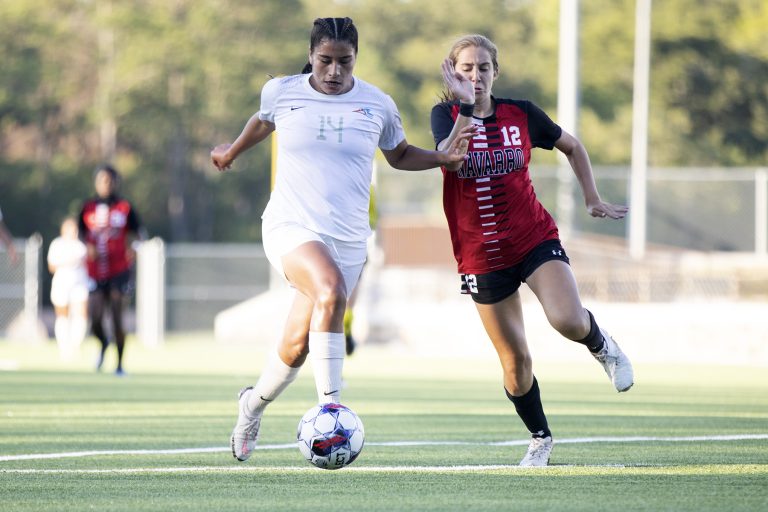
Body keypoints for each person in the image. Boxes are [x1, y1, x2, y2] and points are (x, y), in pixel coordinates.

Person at [211, 17, 474, 463]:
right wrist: (231, 152)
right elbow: (262, 121)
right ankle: (331, 408)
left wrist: (441, 158)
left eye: (344, 62)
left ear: (356, 58)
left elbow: (400, 154)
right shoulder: (283, 91)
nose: (334, 71)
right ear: (312, 55)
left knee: (296, 346)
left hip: (350, 239)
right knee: (330, 289)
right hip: (290, 226)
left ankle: (251, 406)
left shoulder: (377, 103)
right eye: (325, 61)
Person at [431, 35, 634, 467]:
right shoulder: (445, 114)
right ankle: (540, 438)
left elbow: (572, 146)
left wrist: (592, 198)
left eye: (484, 67)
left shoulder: (520, 113)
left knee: (566, 318)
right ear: (453, 73)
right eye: (466, 68)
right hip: (481, 253)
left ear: (496, 72)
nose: (476, 76)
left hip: (532, 237)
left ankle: (602, 346)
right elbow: (450, 158)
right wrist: (465, 106)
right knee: (515, 362)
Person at [78, 164, 142, 376]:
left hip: (119, 270)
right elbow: (80, 233)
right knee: (94, 318)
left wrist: (134, 248)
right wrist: (87, 246)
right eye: (102, 180)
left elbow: (138, 233)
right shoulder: (87, 207)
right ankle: (103, 343)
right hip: (95, 271)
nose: (105, 184)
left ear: (115, 182)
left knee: (117, 318)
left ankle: (120, 364)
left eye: (109, 180)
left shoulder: (125, 207)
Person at [47, 217, 89, 361]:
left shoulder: (81, 246)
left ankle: (76, 344)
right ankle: (64, 346)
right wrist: (67, 262)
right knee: (62, 315)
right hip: (62, 284)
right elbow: (51, 266)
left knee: (81, 314)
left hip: (79, 284)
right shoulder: (57, 245)